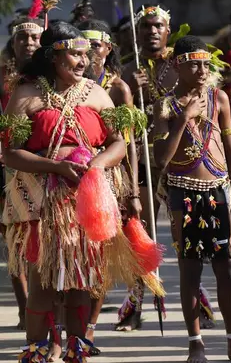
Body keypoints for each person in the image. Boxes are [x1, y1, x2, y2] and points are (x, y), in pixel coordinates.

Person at [0, 21, 154, 362]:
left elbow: (118, 143)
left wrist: (98, 166)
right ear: (53, 57)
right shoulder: (26, 94)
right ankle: (38, 353)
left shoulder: (98, 94)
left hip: (87, 203)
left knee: (81, 283)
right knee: (42, 283)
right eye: (74, 54)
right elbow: (9, 152)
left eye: (85, 54)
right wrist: (55, 167)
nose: (83, 61)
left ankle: (76, 351)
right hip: (39, 204)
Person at [152, 35, 231, 363]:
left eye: (205, 64)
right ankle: (196, 345)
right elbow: (162, 158)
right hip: (183, 194)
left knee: (226, 268)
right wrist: (185, 117)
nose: (202, 70)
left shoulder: (219, 99)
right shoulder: (165, 106)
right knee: (190, 271)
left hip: (219, 193)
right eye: (193, 64)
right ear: (177, 65)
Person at [77, 18, 144, 355]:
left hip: (108, 178)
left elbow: (127, 143)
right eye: (84, 45)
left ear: (108, 48)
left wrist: (132, 191)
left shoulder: (118, 88)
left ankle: (88, 327)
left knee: (99, 254)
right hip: (69, 178)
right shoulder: (66, 83)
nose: (91, 52)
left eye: (97, 45)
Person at [118, 3, 180, 332]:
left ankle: (197, 306)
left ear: (168, 31)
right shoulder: (128, 70)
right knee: (140, 233)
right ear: (137, 33)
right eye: (146, 27)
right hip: (142, 159)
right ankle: (135, 306)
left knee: (186, 233)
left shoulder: (180, 66)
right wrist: (132, 87)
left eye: (158, 26)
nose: (153, 32)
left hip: (179, 159)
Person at [0, 6, 43, 332]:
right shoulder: (1, 76)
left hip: (41, 166)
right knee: (14, 239)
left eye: (34, 37)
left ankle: (41, 309)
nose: (29, 42)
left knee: (41, 240)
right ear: (12, 43)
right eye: (23, 37)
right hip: (6, 164)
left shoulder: (49, 79)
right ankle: (23, 306)